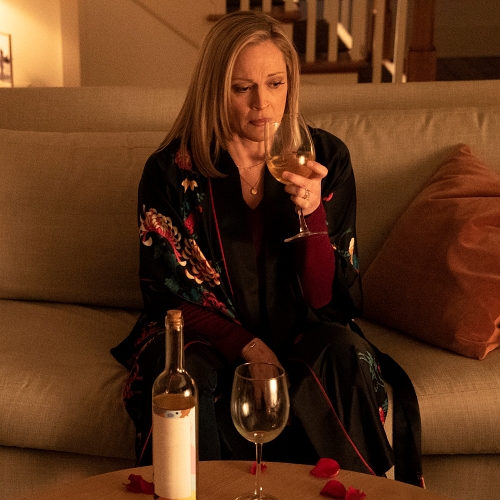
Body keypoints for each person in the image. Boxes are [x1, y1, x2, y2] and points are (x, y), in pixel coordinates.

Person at [111, 10, 423, 486]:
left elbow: (326, 299)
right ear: (216, 90)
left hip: (302, 332)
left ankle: (353, 492)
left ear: (290, 84)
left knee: (340, 353)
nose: (263, 104)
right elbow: (167, 296)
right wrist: (250, 349)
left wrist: (312, 214)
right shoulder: (171, 172)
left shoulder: (325, 159)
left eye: (275, 84)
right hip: (209, 336)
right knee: (179, 366)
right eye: (242, 88)